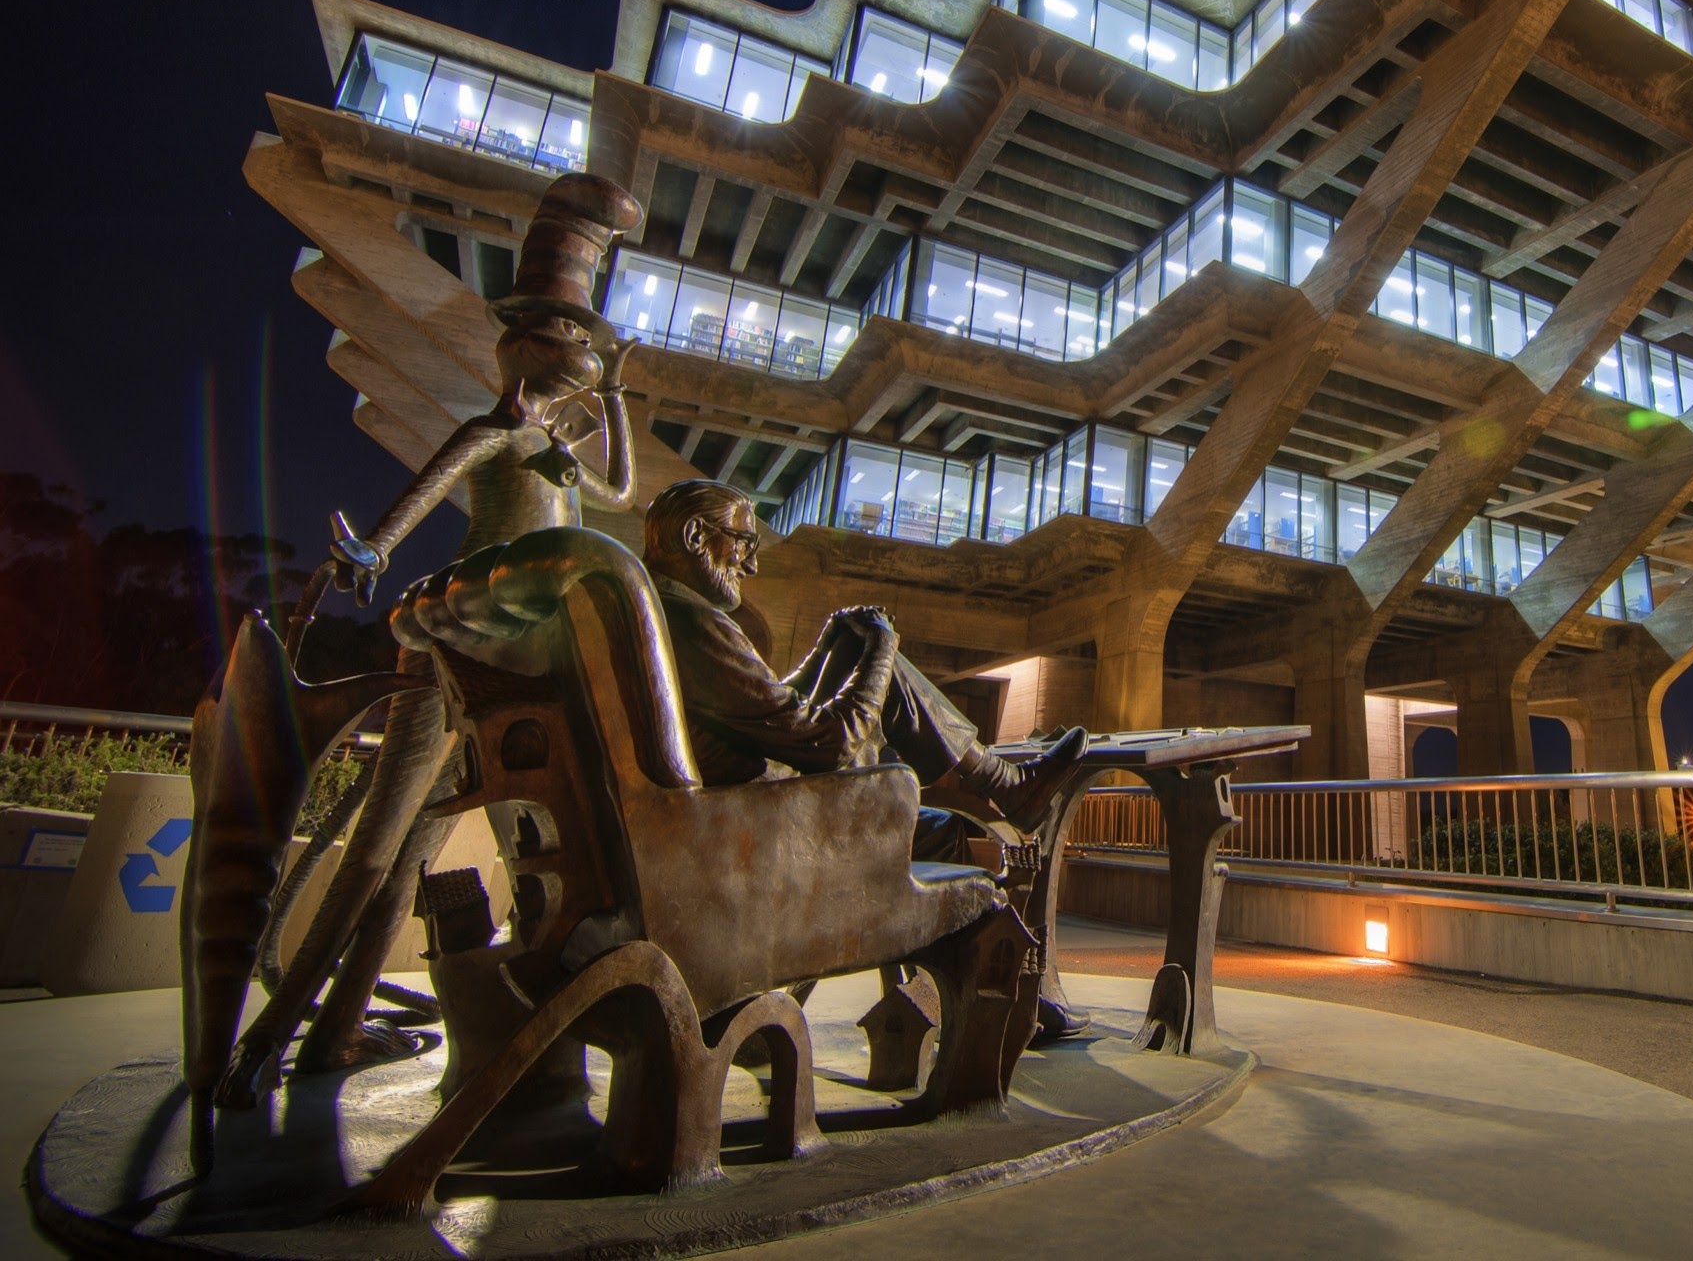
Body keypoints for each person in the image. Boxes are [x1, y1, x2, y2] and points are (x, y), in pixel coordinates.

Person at [216, 174, 646, 1105]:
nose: (573, 345)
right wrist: (372, 549)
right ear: (517, 350)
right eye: (562, 333)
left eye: (580, 334)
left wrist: (613, 399)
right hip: (454, 643)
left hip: (515, 663)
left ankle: (334, 1030)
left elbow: (620, 493)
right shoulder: (495, 431)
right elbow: (424, 491)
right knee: (374, 848)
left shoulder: (555, 456)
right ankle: (261, 1049)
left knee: (411, 853)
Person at [641, 479, 1084, 824]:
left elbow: (767, 713)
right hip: (757, 800)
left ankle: (1005, 783)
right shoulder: (695, 624)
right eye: (742, 541)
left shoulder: (664, 612)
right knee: (876, 659)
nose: (751, 564)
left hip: (739, 781)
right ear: (696, 534)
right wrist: (884, 647)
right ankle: (1005, 785)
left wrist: (827, 648)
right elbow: (829, 743)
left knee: (854, 642)